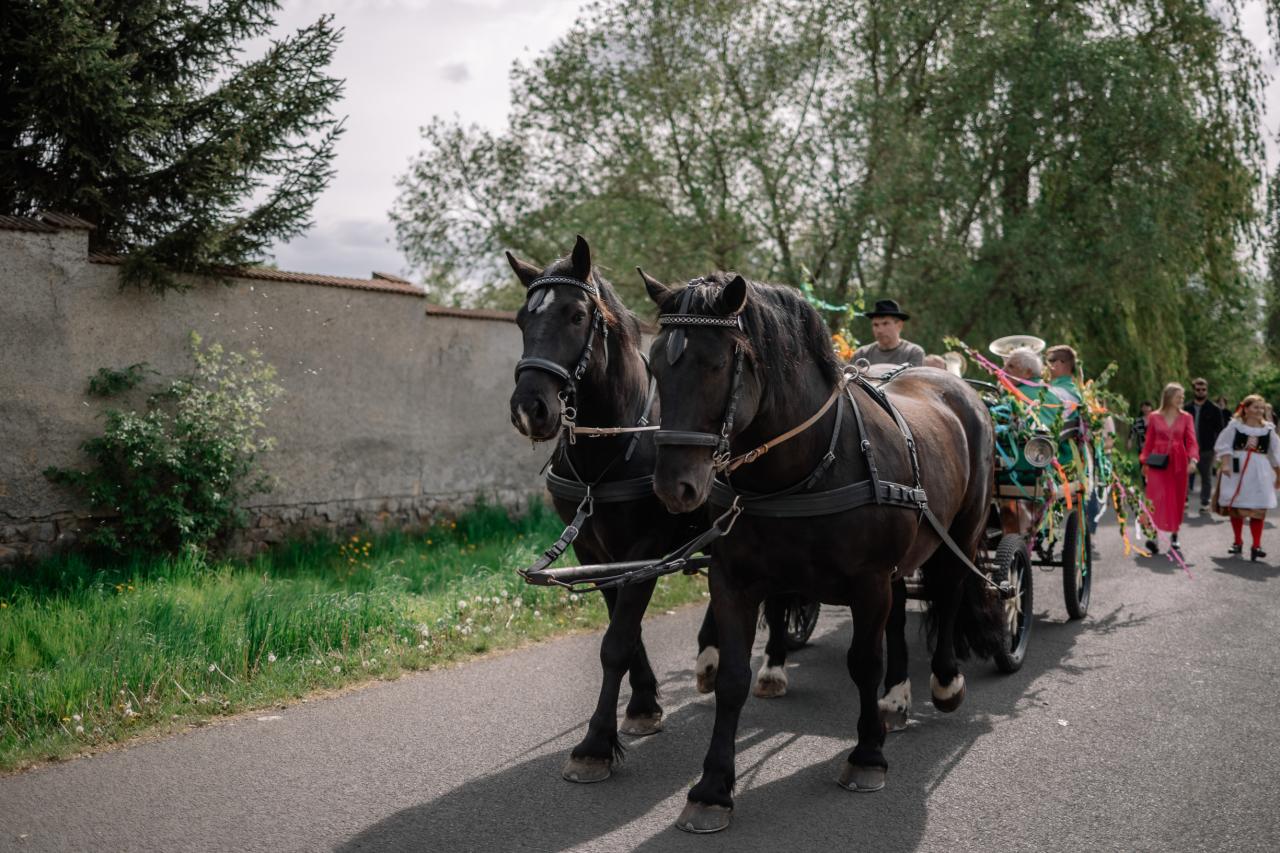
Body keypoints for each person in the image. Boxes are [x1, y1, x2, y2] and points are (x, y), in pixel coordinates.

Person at [1213, 395, 1280, 561]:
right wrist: (1225, 464)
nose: (1259, 411)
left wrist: (1278, 474)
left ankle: (1256, 545)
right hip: (1237, 469)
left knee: (1258, 508)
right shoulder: (1235, 426)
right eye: (1256, 407)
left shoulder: (1268, 430)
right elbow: (1224, 445)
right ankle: (1237, 542)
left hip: (1260, 472)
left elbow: (1275, 454)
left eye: (1261, 408)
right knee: (1237, 506)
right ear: (1246, 409)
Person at [1140, 382, 1199, 555]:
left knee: (1176, 499)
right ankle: (1153, 537)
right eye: (1178, 396)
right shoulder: (1154, 417)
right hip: (1158, 461)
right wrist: (1144, 462)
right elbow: (1149, 442)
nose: (1181, 399)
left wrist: (1193, 460)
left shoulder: (1186, 417)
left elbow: (1192, 441)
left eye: (1182, 396)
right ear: (1168, 397)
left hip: (1178, 462)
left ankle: (1174, 536)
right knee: (1155, 498)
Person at [1184, 378, 1228, 512]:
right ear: (1194, 390)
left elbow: (1220, 431)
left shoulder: (1214, 409)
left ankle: (1205, 501)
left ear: (1207, 391)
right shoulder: (1186, 408)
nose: (1201, 392)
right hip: (1187, 448)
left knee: (1206, 475)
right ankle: (1184, 500)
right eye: (1198, 389)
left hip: (1207, 448)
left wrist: (1218, 449)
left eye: (1203, 389)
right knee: (1184, 474)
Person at [852, 299, 925, 367]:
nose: (879, 330)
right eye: (875, 325)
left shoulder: (913, 353)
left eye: (885, 324)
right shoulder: (862, 354)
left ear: (899, 325)